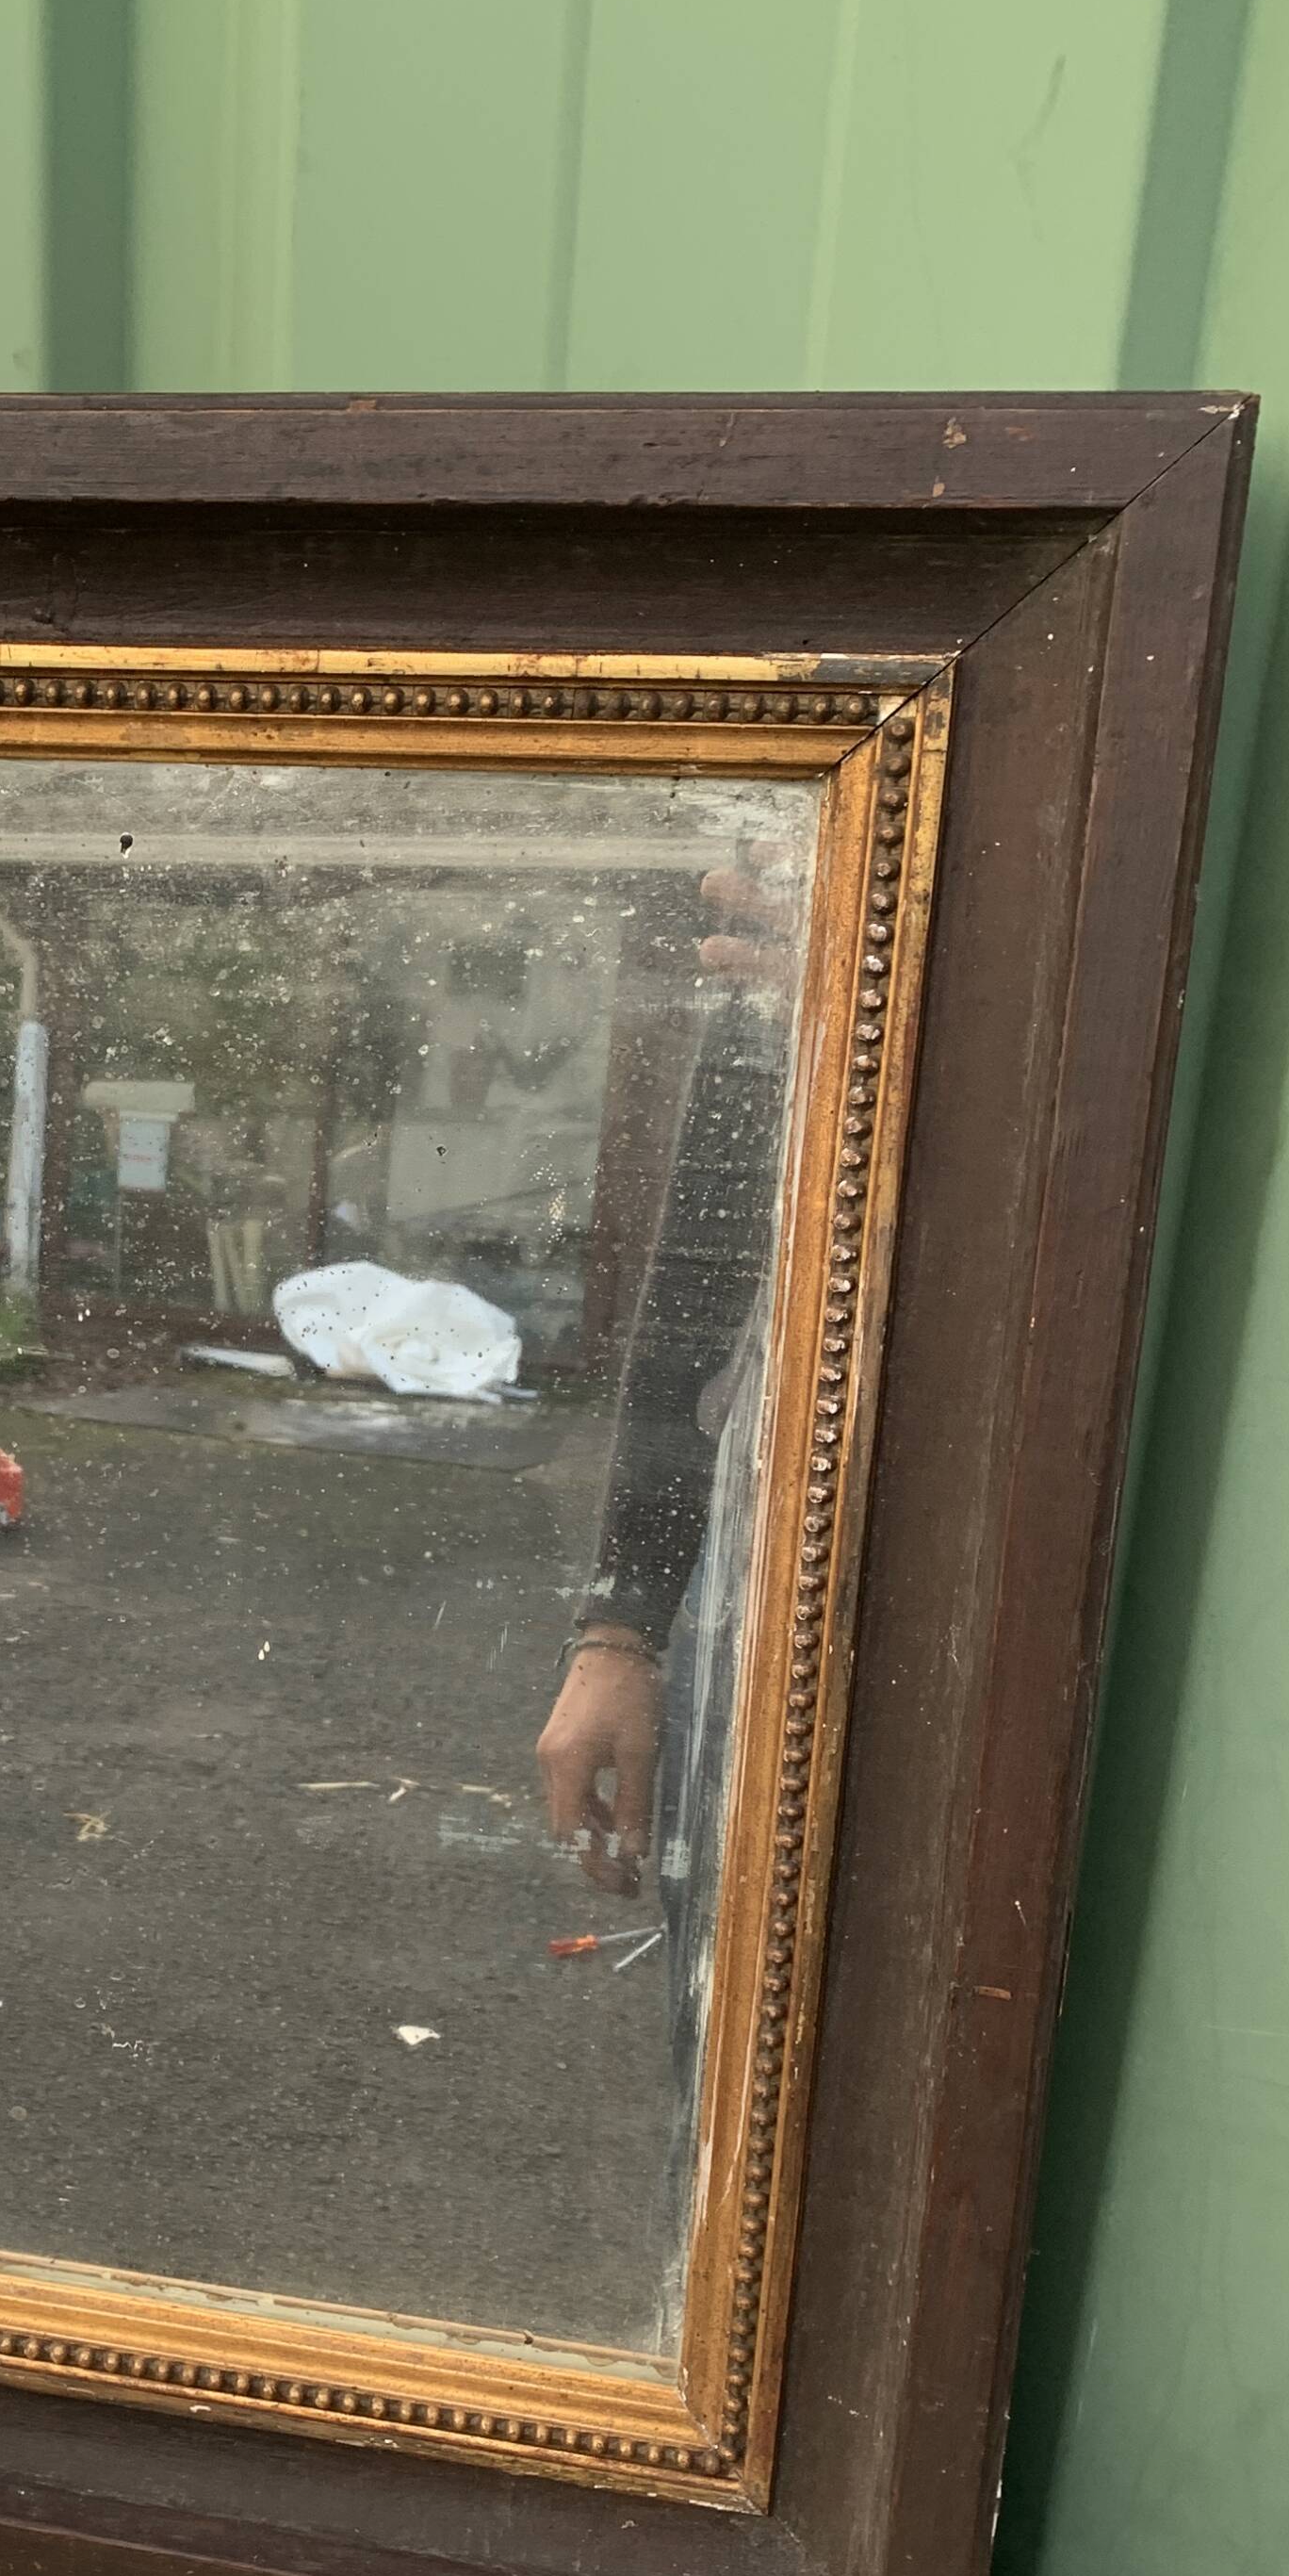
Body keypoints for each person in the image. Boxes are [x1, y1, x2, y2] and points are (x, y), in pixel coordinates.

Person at [534, 861, 800, 2077]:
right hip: (744, 1599)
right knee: (737, 2056)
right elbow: (703, 1275)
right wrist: (622, 1625)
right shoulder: (777, 943)